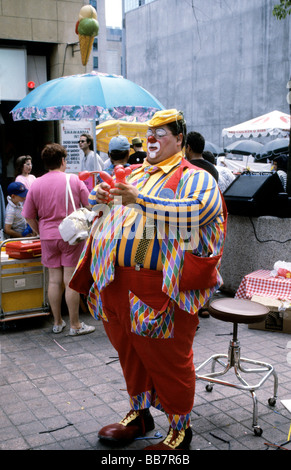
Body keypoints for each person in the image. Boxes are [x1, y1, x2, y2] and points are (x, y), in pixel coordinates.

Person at [70, 109, 226, 450]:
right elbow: (120, 217)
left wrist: (138, 200)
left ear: (180, 139)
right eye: (149, 132)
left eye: (161, 132)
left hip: (161, 289)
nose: (152, 138)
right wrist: (103, 202)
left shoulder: (195, 177)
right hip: (115, 282)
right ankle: (140, 413)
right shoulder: (138, 174)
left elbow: (194, 214)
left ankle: (180, 429)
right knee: (130, 353)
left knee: (168, 359)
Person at [22, 143, 95, 337]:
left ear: (45, 163)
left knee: (54, 281)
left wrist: (41, 231)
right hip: (71, 235)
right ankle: (75, 325)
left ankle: (57, 322)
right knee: (70, 280)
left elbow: (28, 216)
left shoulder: (36, 184)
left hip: (47, 236)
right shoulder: (74, 180)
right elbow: (90, 205)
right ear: (63, 161)